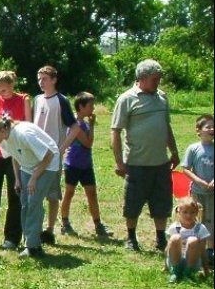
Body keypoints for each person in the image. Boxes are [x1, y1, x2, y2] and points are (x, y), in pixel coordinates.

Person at [111, 59, 180, 252]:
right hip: (136, 162)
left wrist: (173, 152)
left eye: (158, 79)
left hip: (160, 162)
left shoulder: (162, 97)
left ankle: (160, 238)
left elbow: (166, 126)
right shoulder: (126, 99)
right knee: (132, 202)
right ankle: (131, 238)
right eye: (154, 79)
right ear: (141, 78)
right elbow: (115, 131)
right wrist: (119, 162)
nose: (157, 83)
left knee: (161, 201)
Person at [0, 116, 60, 258]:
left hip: (48, 164)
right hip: (28, 166)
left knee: (33, 203)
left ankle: (33, 247)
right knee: (24, 203)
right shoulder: (3, 139)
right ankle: (29, 242)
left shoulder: (23, 134)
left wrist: (34, 178)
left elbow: (48, 154)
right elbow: (15, 156)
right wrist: (17, 179)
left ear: (2, 129)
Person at [0, 71, 30, 249]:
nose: (4, 92)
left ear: (13, 85)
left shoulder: (23, 99)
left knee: (14, 195)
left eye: (6, 88)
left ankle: (12, 237)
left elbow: (27, 127)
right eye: (0, 89)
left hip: (14, 154)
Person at [33, 66, 79, 246]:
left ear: (54, 80)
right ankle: (34, 228)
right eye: (39, 78)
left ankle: (50, 229)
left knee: (52, 193)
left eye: (44, 78)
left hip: (52, 156)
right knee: (34, 191)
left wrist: (61, 149)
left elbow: (74, 128)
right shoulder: (37, 100)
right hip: (36, 153)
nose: (41, 82)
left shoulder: (61, 101)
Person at [59, 92, 113, 238]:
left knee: (92, 193)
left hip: (85, 165)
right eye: (90, 105)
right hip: (73, 164)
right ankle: (64, 222)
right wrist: (92, 126)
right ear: (81, 107)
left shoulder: (83, 123)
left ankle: (98, 224)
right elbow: (88, 143)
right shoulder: (76, 124)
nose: (93, 108)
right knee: (69, 193)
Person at [180, 115, 214, 265]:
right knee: (196, 219)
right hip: (197, 192)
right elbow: (185, 169)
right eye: (208, 127)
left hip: (212, 193)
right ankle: (194, 250)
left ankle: (210, 251)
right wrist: (199, 181)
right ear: (199, 131)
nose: (212, 129)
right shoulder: (193, 148)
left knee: (211, 220)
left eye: (213, 127)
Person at [165, 197, 211, 283]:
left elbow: (202, 251)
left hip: (193, 262)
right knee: (175, 238)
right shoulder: (174, 227)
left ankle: (188, 273)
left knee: (193, 240)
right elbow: (168, 247)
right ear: (179, 212)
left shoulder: (200, 228)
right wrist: (165, 266)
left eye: (192, 212)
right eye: (185, 212)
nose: (188, 215)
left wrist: (206, 270)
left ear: (197, 213)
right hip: (175, 260)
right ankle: (175, 272)